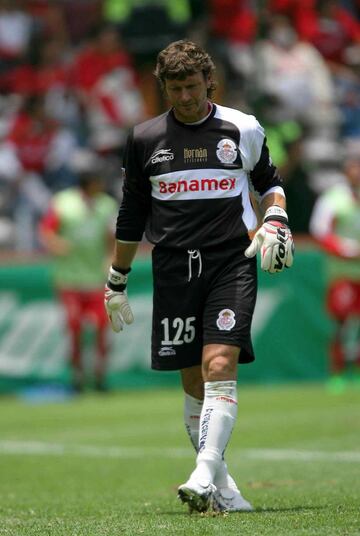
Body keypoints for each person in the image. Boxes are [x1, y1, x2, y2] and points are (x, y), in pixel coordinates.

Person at [104, 40, 294, 513]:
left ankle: (203, 472)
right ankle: (223, 487)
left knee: (218, 366)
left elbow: (270, 184)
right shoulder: (145, 138)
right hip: (172, 268)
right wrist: (116, 280)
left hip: (231, 261)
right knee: (192, 380)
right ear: (163, 86)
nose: (185, 96)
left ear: (208, 81)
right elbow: (131, 216)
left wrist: (276, 220)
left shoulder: (241, 127)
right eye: (175, 87)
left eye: (192, 86)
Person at [39, 153, 118, 392]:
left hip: (95, 279)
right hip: (70, 280)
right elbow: (46, 230)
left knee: (103, 327)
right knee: (74, 328)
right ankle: (77, 377)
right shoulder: (63, 202)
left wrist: (110, 260)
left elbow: (111, 238)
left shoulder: (106, 205)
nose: (102, 185)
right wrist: (56, 244)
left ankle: (101, 376)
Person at [309, 143, 360, 392]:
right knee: (341, 323)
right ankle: (338, 373)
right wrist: (349, 251)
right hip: (342, 273)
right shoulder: (334, 199)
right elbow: (320, 231)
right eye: (354, 166)